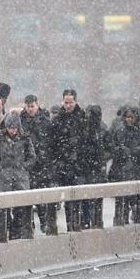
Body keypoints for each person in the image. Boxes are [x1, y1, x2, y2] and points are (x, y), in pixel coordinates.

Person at [48, 89, 87, 232]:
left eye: (70, 102)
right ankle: (63, 226)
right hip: (61, 165)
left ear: (75, 102)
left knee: (76, 198)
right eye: (66, 102)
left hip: (78, 166)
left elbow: (87, 143)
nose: (68, 105)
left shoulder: (83, 119)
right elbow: (50, 145)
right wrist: (56, 162)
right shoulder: (57, 120)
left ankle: (75, 225)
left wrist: (81, 159)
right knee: (61, 198)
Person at [0, 111, 36, 239]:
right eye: (10, 128)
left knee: (20, 207)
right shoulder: (0, 138)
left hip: (20, 177)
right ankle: (3, 230)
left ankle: (17, 231)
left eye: (14, 128)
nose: (12, 131)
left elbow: (32, 157)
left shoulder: (25, 139)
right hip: (5, 177)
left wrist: (23, 167)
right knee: (3, 207)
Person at [109, 108, 140, 225]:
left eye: (131, 117)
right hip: (123, 170)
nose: (129, 119)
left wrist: (135, 153)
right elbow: (113, 148)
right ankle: (121, 220)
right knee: (123, 200)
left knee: (137, 199)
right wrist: (120, 151)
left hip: (137, 170)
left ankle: (137, 218)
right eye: (127, 117)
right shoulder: (120, 131)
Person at [20, 94, 56, 234]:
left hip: (42, 164)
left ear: (37, 105)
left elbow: (50, 143)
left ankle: (43, 222)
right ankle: (29, 224)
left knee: (40, 196)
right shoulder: (21, 121)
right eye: (28, 106)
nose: (30, 109)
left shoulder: (45, 121)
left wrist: (43, 155)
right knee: (27, 197)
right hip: (26, 164)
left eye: (32, 106)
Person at [80, 104, 111, 229]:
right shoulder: (83, 129)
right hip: (85, 167)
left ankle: (95, 220)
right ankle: (87, 220)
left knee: (96, 197)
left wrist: (102, 157)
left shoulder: (103, 130)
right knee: (86, 197)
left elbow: (110, 148)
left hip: (97, 168)